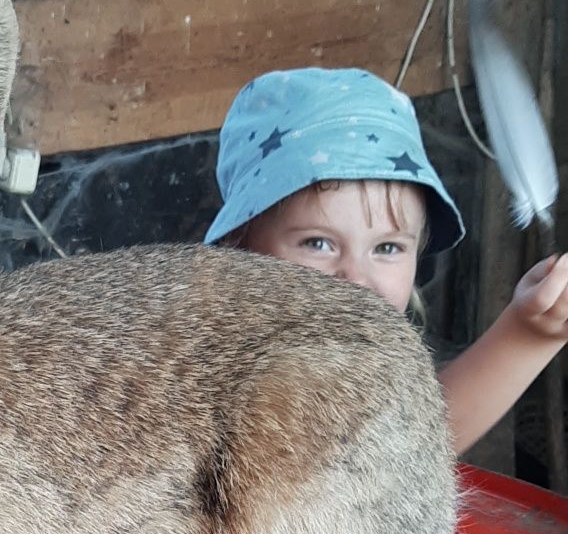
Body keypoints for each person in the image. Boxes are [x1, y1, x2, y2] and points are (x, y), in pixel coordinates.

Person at [205, 67, 568, 455]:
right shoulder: (208, 371)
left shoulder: (370, 359)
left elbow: (414, 450)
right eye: (317, 243)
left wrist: (531, 330)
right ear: (237, 248)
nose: (356, 280)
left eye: (387, 248)